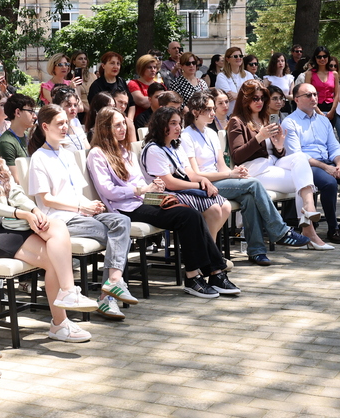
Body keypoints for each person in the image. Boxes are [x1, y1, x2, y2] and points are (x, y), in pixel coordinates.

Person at [0, 113, 100, 342]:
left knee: (56, 228)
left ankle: (67, 296)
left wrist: (35, 210)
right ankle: (60, 323)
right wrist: (22, 214)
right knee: (52, 259)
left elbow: (16, 193)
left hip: (10, 224)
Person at [87, 108, 233, 299]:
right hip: (125, 208)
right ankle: (195, 276)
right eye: (117, 125)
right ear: (105, 128)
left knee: (192, 213)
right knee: (187, 216)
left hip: (144, 199)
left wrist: (153, 187)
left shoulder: (124, 150)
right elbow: (107, 191)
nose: (123, 128)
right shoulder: (97, 154)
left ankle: (215, 272)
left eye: (123, 123)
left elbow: (140, 181)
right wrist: (140, 190)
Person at [25, 106, 141, 316]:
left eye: (66, 123)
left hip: (80, 214)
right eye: (59, 123)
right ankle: (108, 297)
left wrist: (90, 205)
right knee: (118, 237)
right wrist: (81, 207)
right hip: (61, 220)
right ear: (45, 127)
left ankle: (113, 282)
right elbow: (46, 199)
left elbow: (76, 192)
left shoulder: (67, 154)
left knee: (122, 222)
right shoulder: (39, 158)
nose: (65, 127)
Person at [181, 93, 309, 267]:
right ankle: (280, 231)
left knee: (249, 197)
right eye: (208, 109)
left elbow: (221, 166)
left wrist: (235, 172)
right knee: (254, 184)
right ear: (195, 112)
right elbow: (195, 174)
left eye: (213, 109)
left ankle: (257, 251)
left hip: (219, 180)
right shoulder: (186, 136)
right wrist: (230, 175)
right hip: (203, 184)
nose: (213, 113)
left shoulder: (211, 133)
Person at [228, 81, 327, 248]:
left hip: (273, 164)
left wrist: (279, 145)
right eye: (255, 98)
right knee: (303, 182)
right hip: (255, 169)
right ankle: (309, 230)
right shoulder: (236, 121)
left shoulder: (265, 118)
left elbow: (276, 153)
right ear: (245, 99)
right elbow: (238, 156)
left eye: (262, 98)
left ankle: (309, 210)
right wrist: (259, 137)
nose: (260, 102)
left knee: (300, 157)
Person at [283, 83, 340, 244]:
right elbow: (297, 155)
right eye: (308, 95)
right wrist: (326, 168)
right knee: (329, 182)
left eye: (315, 94)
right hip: (307, 167)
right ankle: (333, 228)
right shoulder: (290, 122)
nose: (313, 98)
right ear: (296, 99)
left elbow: (334, 147)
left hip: (329, 163)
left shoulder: (323, 121)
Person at [140, 106, 233, 252]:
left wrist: (203, 181)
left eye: (179, 123)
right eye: (173, 123)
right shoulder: (153, 149)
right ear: (160, 124)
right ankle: (209, 253)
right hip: (156, 196)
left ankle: (207, 250)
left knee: (225, 206)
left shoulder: (175, 145)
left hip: (177, 191)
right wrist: (199, 186)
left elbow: (189, 173)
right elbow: (169, 183)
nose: (178, 127)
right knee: (214, 208)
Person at [86, 52, 127, 125]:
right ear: (103, 65)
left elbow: (131, 104)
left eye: (118, 64)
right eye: (112, 63)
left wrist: (128, 120)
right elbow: (94, 109)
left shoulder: (122, 82)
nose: (116, 66)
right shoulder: (96, 85)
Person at [128, 54, 166, 129]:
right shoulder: (134, 83)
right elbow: (142, 102)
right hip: (141, 122)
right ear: (141, 68)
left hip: (160, 120)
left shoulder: (160, 85)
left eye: (154, 67)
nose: (153, 70)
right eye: (149, 67)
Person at [0, 93, 35, 164]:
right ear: (18, 112)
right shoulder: (6, 142)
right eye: (30, 111)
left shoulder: (29, 136)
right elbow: (12, 171)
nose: (35, 116)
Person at [302, 47, 338, 117]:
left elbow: (337, 95)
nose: (322, 59)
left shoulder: (334, 74)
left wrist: (332, 110)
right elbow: (307, 94)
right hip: (314, 108)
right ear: (315, 58)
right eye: (319, 57)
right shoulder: (309, 74)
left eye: (324, 56)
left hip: (331, 109)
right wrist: (318, 111)